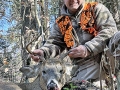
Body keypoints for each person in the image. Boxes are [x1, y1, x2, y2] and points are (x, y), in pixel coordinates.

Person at [31, 0, 118, 85]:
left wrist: (88, 49)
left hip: (107, 57)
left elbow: (110, 30)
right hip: (84, 66)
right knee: (78, 86)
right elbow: (55, 43)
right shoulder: (61, 22)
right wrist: (43, 52)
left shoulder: (96, 9)